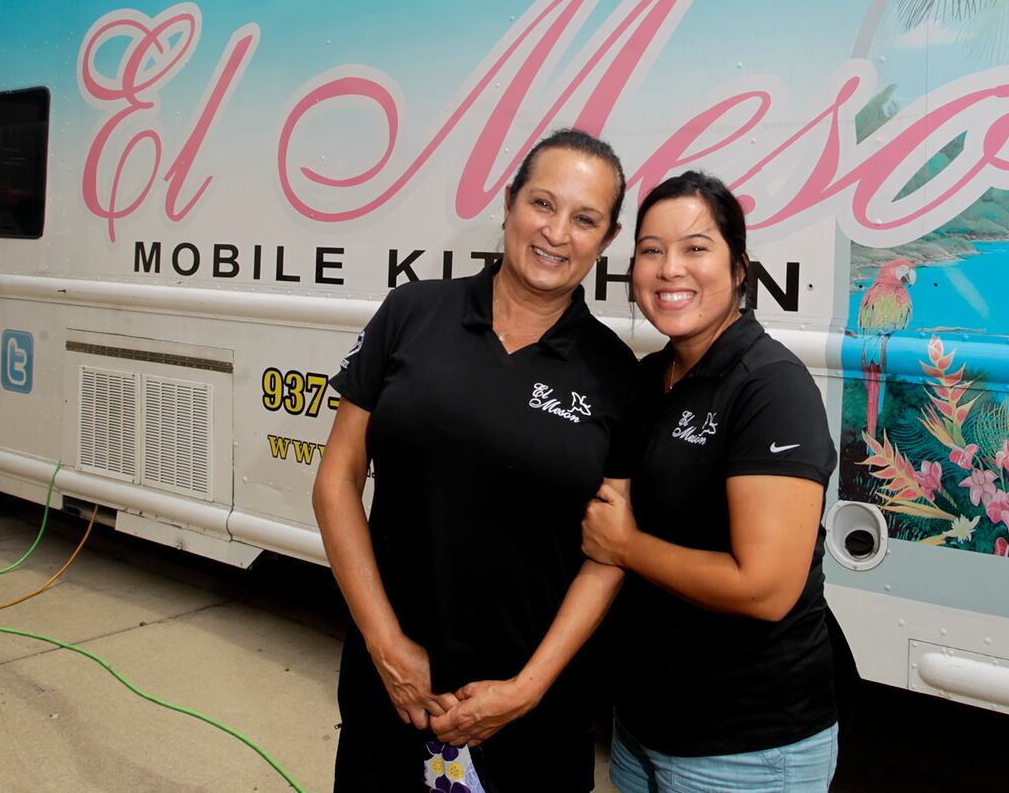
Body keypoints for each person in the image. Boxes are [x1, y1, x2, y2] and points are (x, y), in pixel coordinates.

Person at [313, 128, 640, 793]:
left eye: (585, 219)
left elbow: (609, 555)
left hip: (533, 718)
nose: (556, 232)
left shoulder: (615, 374)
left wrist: (525, 688)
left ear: (605, 243)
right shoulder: (412, 312)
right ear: (509, 203)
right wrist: (385, 644)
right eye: (542, 203)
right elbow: (336, 481)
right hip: (394, 692)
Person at [582, 170, 839, 792]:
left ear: (738, 269)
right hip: (642, 730)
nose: (671, 268)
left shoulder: (769, 386)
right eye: (651, 250)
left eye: (696, 248)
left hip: (748, 748)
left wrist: (627, 546)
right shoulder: (646, 381)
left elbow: (766, 588)